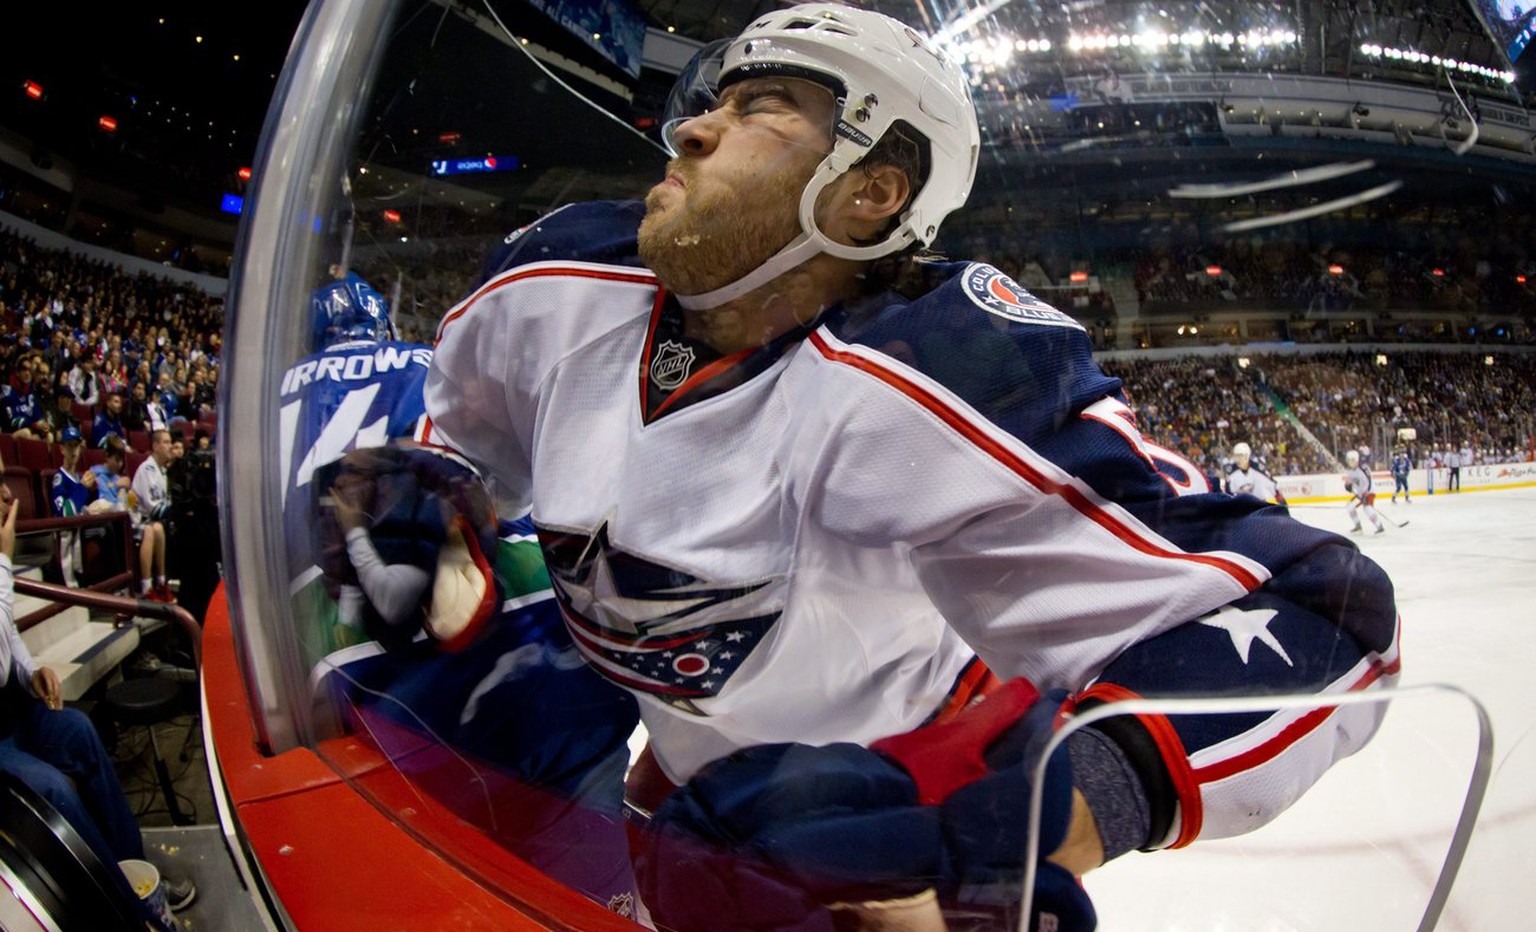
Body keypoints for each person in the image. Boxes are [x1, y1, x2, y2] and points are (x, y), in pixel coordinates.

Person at [421, 5, 1400, 930]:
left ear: (869, 193)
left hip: (897, 798)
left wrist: (1045, 819)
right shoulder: (547, 277)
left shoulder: (935, 363)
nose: (692, 130)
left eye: (759, 108)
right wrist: (436, 504)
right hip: (685, 783)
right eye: (712, 101)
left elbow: (1326, 608)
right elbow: (469, 448)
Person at [283, 273, 641, 913]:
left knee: (444, 875)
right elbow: (522, 491)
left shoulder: (264, 405)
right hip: (522, 631)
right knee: (583, 860)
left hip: (366, 679)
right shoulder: (430, 363)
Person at [0, 491, 196, 917]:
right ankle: (117, 907)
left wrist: (30, 669)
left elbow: (8, 635)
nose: (7, 496)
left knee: (81, 733)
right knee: (49, 787)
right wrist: (1, 563)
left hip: (12, 715)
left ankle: (131, 864)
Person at [49, 427, 97, 586]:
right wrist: (83, 488)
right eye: (69, 446)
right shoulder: (59, 478)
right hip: (68, 531)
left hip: (81, 527)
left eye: (76, 446)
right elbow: (65, 513)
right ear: (62, 449)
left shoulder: (79, 477)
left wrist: (93, 491)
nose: (73, 451)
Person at [130, 430, 174, 602]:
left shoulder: (162, 471)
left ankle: (162, 583)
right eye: (166, 442)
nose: (170, 446)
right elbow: (151, 508)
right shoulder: (146, 469)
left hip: (155, 521)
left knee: (158, 528)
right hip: (138, 521)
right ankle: (147, 587)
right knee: (152, 529)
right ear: (155, 446)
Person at [1343, 449, 1386, 534]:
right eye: (1348, 460)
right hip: (1360, 494)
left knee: (1367, 509)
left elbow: (1369, 481)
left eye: (1351, 460)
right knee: (1350, 506)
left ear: (1356, 460)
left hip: (1369, 492)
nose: (1349, 462)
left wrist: (1366, 493)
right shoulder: (1350, 471)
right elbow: (1350, 482)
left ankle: (1379, 527)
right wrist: (1348, 486)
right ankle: (1358, 526)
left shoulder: (1364, 468)